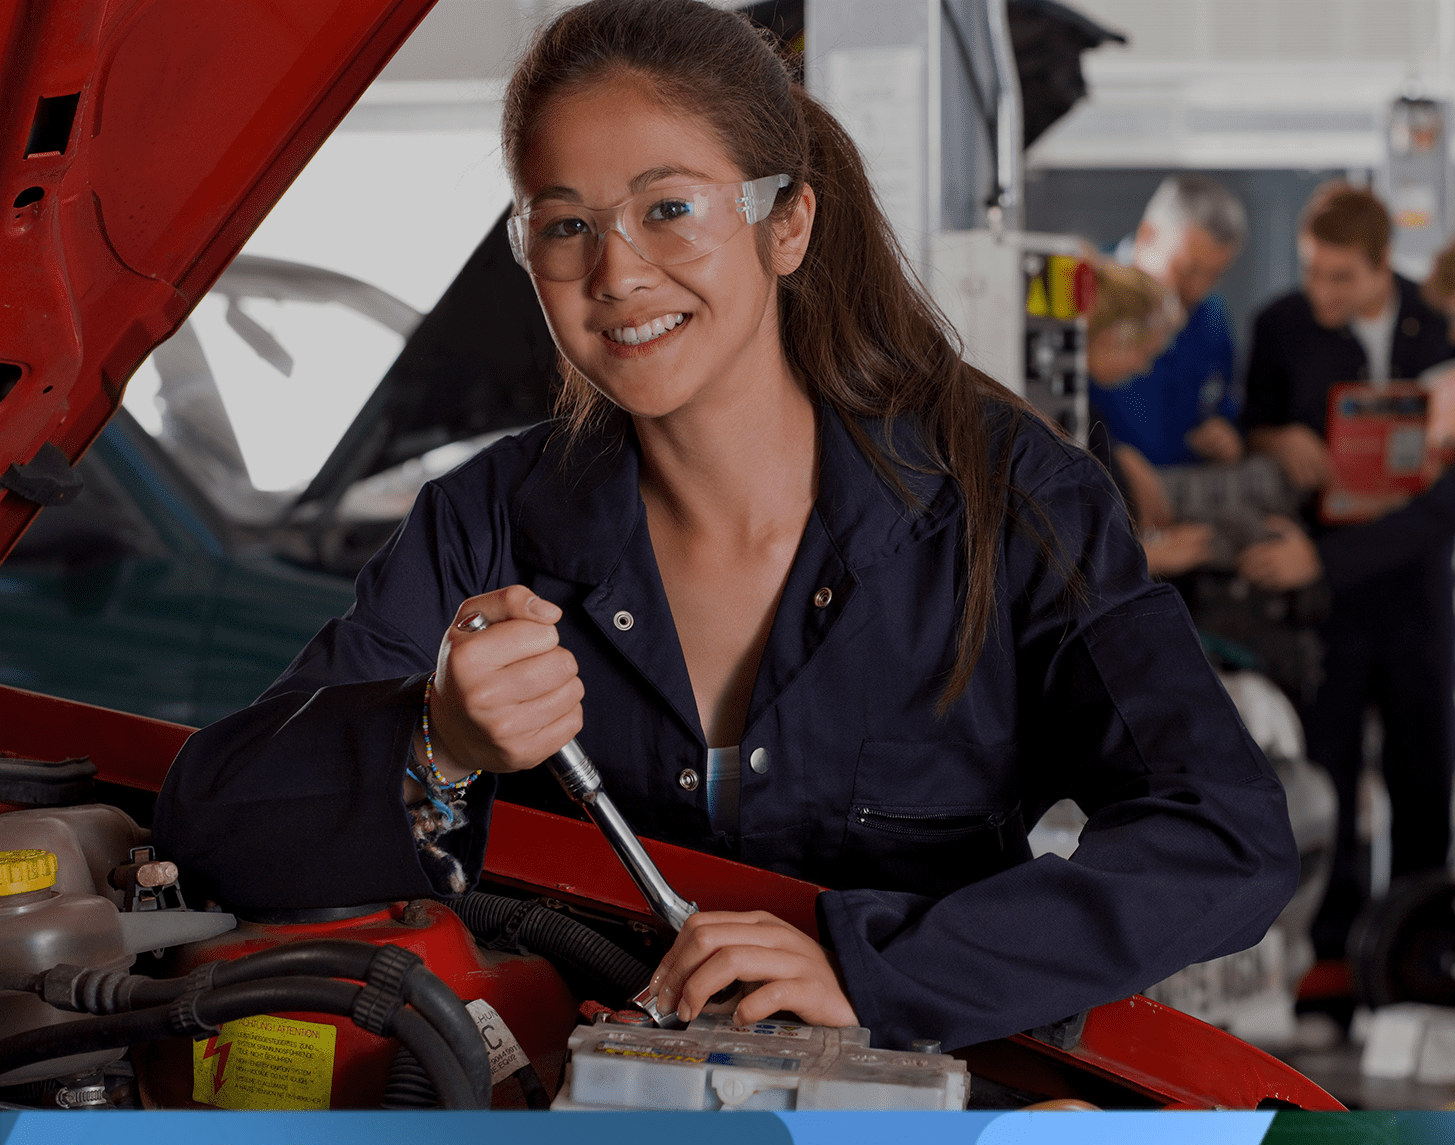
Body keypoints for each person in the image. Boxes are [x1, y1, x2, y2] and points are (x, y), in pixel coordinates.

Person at [153, 0, 1295, 1053]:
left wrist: (881, 971)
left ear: (786, 222)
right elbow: (213, 819)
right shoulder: (484, 523)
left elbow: (1223, 838)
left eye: (669, 210)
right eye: (564, 226)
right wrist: (437, 741)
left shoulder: (1009, 501)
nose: (616, 272)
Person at [1239, 184, 1455, 965]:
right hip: (1324, 598)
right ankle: (1331, 957)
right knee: (1326, 770)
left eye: (1341, 277)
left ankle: (1418, 950)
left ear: (1380, 267)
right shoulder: (1281, 326)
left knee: (1423, 770)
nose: (1321, 292)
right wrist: (1273, 439)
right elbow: (1247, 431)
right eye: (1311, 273)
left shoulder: (1440, 322)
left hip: (1413, 586)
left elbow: (1447, 503)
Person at [1089, 174, 1249, 472]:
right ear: (1148, 234)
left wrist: (1224, 435)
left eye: (1214, 276)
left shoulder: (1212, 319)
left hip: (1181, 492)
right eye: (1187, 270)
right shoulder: (1085, 293)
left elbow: (1221, 404)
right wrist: (1109, 458)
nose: (1197, 290)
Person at [1084, 259, 1214, 579]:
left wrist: (1121, 453)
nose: (1143, 369)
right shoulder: (1050, 416)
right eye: (1145, 354)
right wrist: (1147, 557)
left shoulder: (1085, 410)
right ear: (1115, 337)